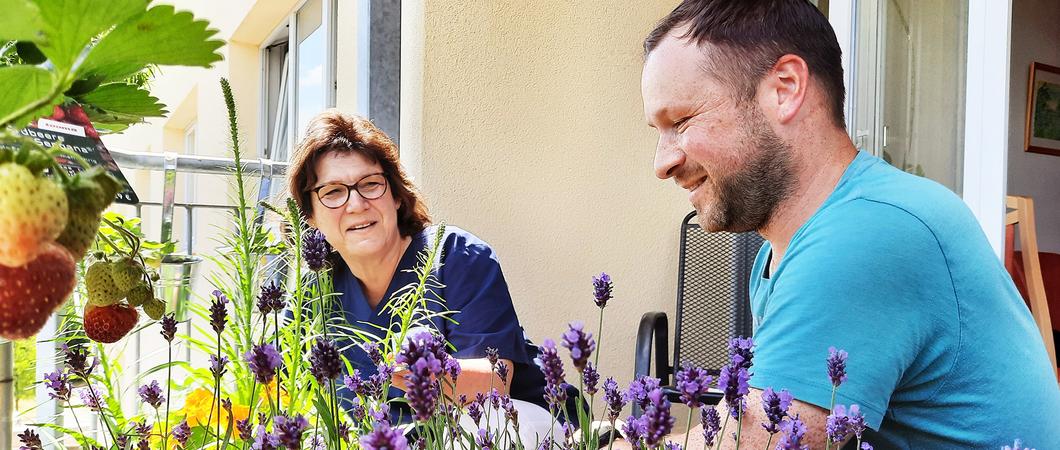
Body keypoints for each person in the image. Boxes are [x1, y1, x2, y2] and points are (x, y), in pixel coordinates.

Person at [641, 1, 1060, 448]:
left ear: (784, 89)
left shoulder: (869, 232)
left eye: (681, 121)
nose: (662, 163)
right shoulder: (779, 253)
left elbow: (761, 439)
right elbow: (754, 414)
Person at [286, 109, 577, 427]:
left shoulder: (457, 256)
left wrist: (421, 374)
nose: (356, 204)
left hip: (525, 430)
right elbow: (279, 390)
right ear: (310, 215)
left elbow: (496, 385)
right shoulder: (312, 292)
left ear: (396, 196)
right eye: (333, 192)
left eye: (370, 184)